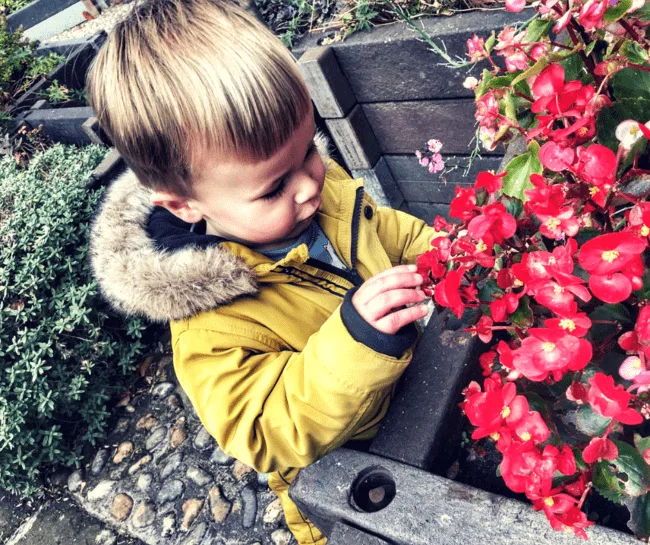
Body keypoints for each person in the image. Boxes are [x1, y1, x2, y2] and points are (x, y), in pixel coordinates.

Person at [88, 1, 440, 543]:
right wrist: (355, 344)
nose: (308, 184)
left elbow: (390, 232)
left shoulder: (319, 194)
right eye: (274, 186)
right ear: (185, 205)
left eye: (308, 151)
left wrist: (445, 254)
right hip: (356, 476)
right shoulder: (209, 324)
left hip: (429, 387)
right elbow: (261, 432)